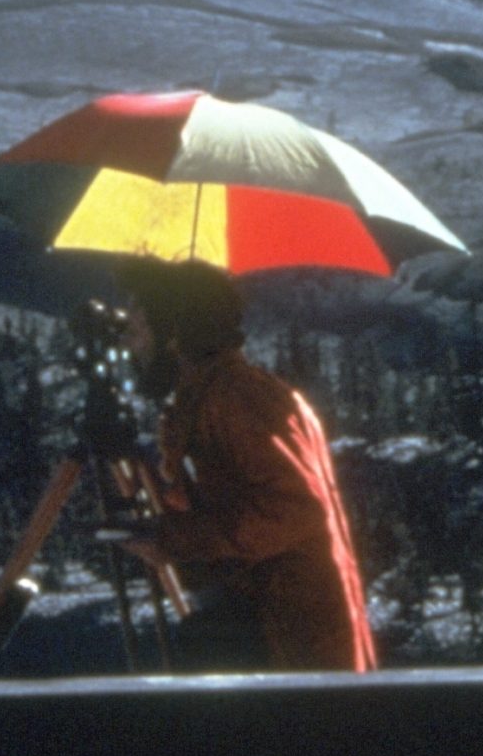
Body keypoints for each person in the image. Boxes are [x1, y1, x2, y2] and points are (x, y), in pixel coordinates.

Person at [110, 257, 377, 673]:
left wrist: (178, 538)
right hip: (275, 638)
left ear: (174, 334)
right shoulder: (211, 397)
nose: (131, 344)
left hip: (293, 649)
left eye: (139, 326)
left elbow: (292, 513)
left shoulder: (238, 398)